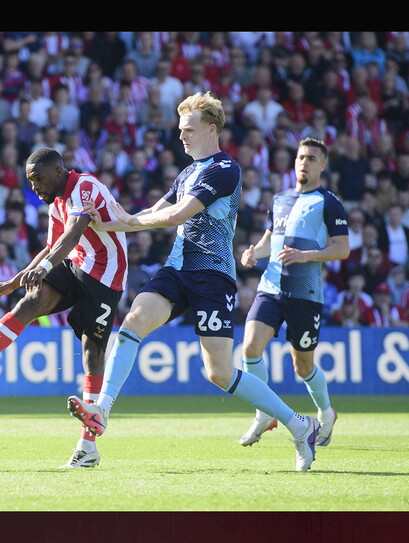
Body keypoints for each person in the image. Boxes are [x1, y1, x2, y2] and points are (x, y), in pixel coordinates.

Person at [75, 92, 323, 472]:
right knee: (131, 325)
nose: (182, 136)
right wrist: (108, 220)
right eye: (179, 130)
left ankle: (298, 424)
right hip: (177, 269)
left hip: (212, 276)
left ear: (212, 129)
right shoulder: (188, 172)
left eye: (188, 129)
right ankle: (102, 410)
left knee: (219, 373)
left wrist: (123, 221)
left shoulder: (224, 169)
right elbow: (153, 211)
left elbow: (175, 216)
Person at [0, 147, 128, 469]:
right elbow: (51, 247)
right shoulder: (56, 202)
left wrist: (46, 267)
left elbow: (72, 234)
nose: (34, 187)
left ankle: (88, 448)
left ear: (58, 172)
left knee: (91, 352)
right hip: (75, 263)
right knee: (30, 302)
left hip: (106, 273)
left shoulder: (84, 187)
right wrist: (10, 284)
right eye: (30, 181)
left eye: (39, 179)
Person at [236, 136, 349, 450]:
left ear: (322, 166)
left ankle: (326, 412)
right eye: (301, 157)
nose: (304, 162)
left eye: (312, 158)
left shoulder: (328, 202)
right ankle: (263, 412)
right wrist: (252, 254)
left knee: (303, 366)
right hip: (270, 287)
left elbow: (342, 249)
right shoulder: (280, 199)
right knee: (249, 348)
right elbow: (268, 241)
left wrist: (306, 256)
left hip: (305, 294)